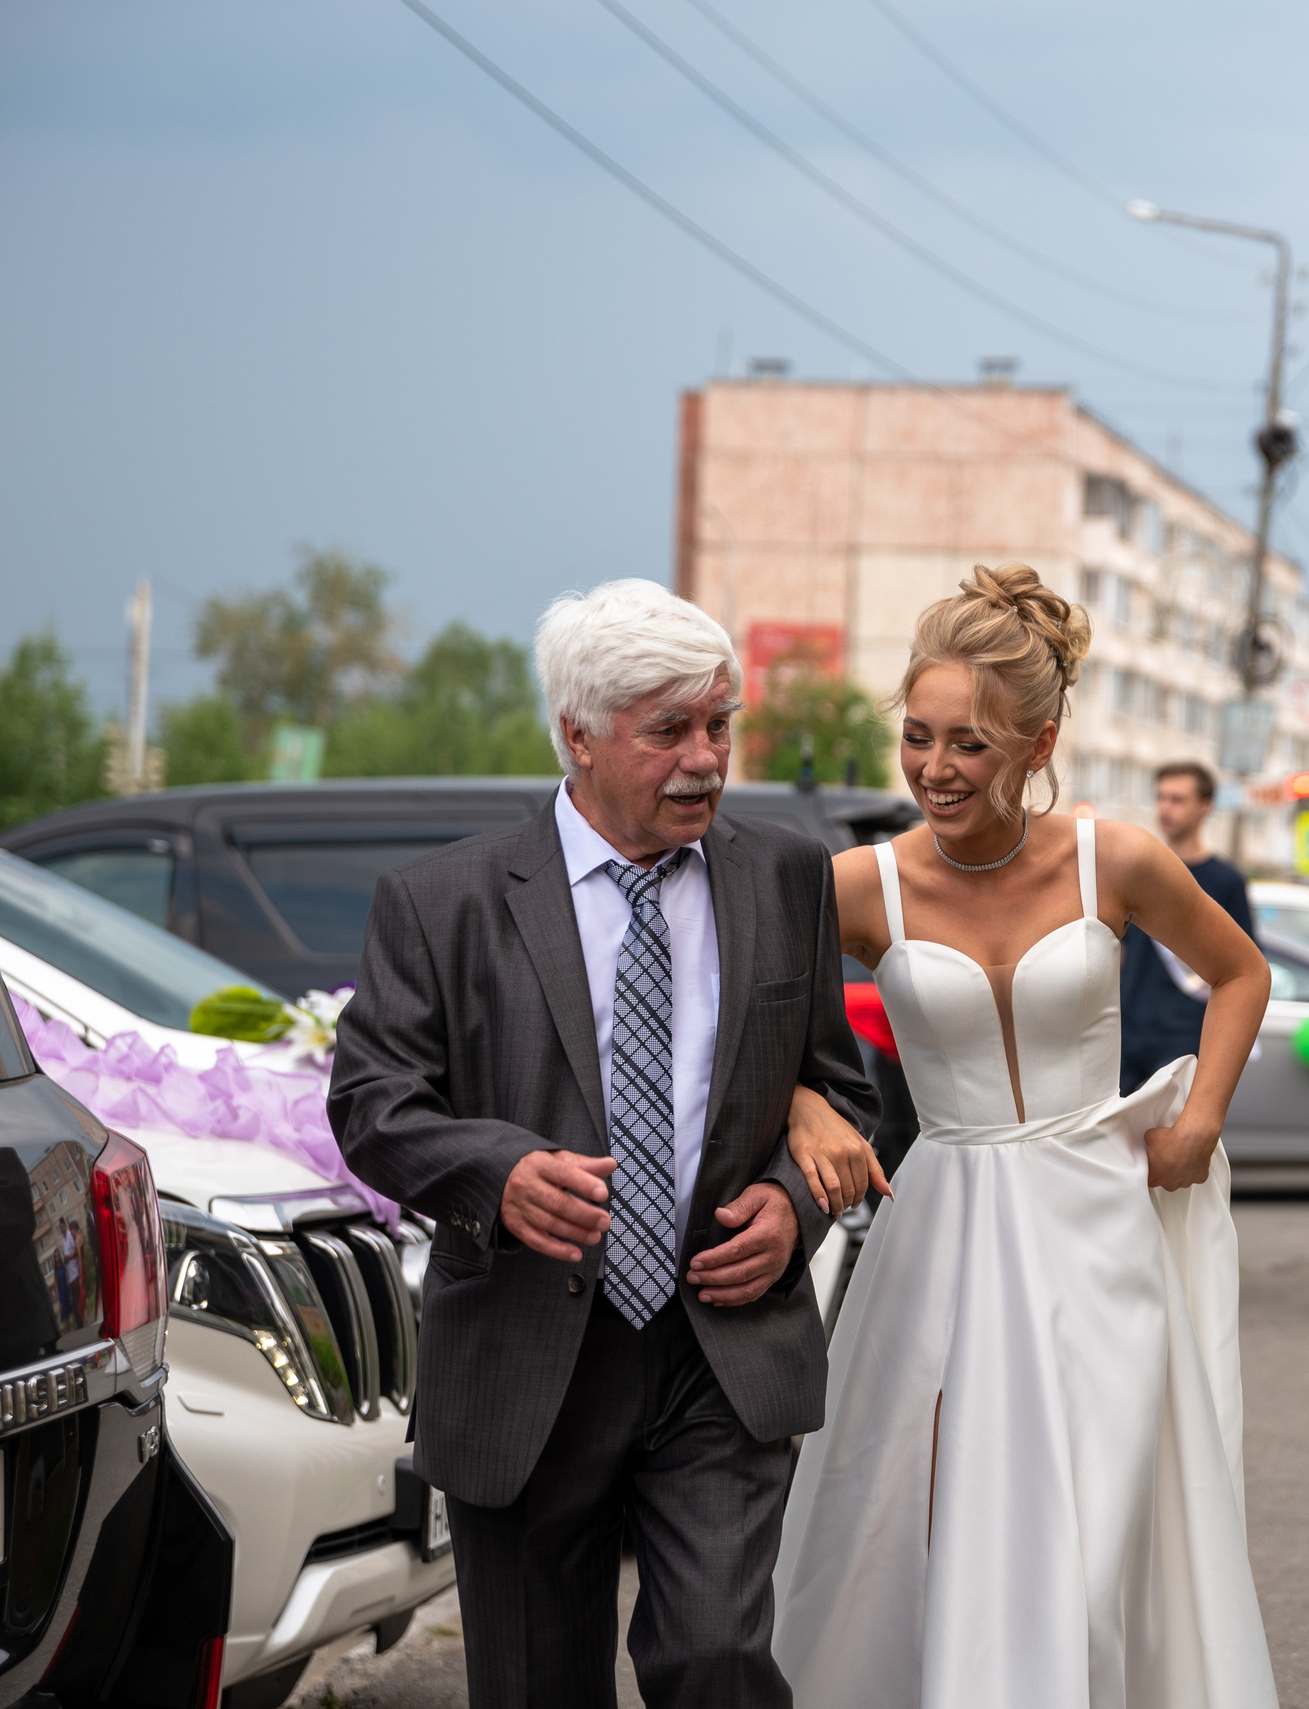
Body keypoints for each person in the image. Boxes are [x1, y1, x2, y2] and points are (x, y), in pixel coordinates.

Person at [329, 579, 881, 1709]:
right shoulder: (444, 901)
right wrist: (495, 1171)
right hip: (526, 1351)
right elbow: (372, 1103)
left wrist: (793, 1203)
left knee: (715, 1658)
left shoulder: (784, 878)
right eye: (667, 728)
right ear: (576, 734)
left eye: (719, 723)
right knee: (536, 1682)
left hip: (720, 1347)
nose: (705, 758)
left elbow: (836, 1087)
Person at [771, 565, 1279, 1709]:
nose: (935, 769)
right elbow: (761, 1023)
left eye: (969, 745)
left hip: (1098, 1218)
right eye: (917, 737)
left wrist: (1199, 1121)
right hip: (939, 1225)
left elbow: (1240, 972)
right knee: (918, 1511)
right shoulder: (858, 885)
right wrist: (806, 1102)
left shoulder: (1119, 858)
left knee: (1098, 1523)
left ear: (1039, 741)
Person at [1119, 760, 1255, 1093]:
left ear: (1205, 807)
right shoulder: (1138, 872)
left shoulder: (1226, 881)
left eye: (1177, 799)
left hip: (1184, 1037)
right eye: (1161, 797)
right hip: (1125, 1032)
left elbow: (1245, 968)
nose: (1165, 808)